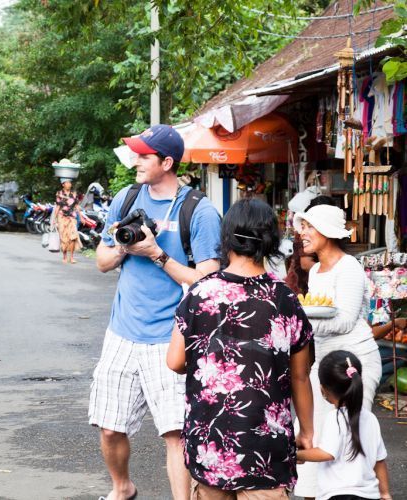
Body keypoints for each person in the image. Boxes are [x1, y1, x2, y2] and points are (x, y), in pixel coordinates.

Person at [89, 124, 222, 500]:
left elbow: (207, 283)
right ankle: (123, 488)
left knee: (176, 434)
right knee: (110, 427)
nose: (135, 160)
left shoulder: (199, 210)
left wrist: (157, 255)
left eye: (143, 155)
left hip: (172, 338)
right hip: (122, 332)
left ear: (167, 161)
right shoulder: (127, 198)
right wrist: (122, 249)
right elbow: (101, 260)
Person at [167, 198, 315, 499]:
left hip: (210, 442)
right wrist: (308, 432)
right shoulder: (284, 298)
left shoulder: (200, 293)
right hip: (266, 451)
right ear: (271, 242)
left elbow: (174, 361)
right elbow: (300, 376)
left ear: (226, 239)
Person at [293, 204, 382, 499]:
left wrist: (302, 322)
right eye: (302, 226)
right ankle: (313, 494)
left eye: (308, 227)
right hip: (326, 365)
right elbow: (321, 313)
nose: (302, 233)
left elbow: (343, 320)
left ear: (327, 232)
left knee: (349, 437)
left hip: (356, 361)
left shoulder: (349, 268)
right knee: (313, 430)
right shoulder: (317, 269)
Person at [297, 351, 392, 500]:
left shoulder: (334, 418)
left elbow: (326, 453)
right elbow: (379, 461)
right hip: (369, 495)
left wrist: (295, 454)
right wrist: (385, 493)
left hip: (337, 495)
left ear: (323, 389)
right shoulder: (371, 418)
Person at [52, 178, 83, 264]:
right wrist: (54, 219)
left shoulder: (74, 194)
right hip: (61, 218)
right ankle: (64, 256)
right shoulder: (59, 194)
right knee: (64, 238)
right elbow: (58, 207)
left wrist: (81, 217)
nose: (69, 184)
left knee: (73, 237)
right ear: (63, 184)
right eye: (67, 183)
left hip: (72, 218)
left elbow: (76, 206)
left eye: (70, 183)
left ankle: (72, 257)